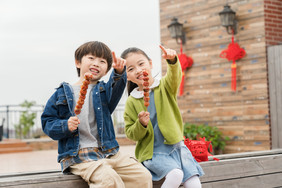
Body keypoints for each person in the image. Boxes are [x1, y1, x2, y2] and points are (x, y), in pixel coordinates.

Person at [41, 41, 152, 188]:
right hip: (79, 156)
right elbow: (47, 122)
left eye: (102, 61)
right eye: (91, 58)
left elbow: (116, 87)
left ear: (106, 70)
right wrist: (65, 125)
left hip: (109, 152)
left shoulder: (104, 91)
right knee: (109, 180)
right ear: (78, 62)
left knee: (142, 175)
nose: (96, 63)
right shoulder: (61, 93)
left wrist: (119, 73)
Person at [122, 45, 204, 188]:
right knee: (176, 174)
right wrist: (140, 124)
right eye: (131, 69)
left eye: (141, 64)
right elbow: (130, 134)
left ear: (151, 63)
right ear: (127, 76)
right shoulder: (131, 101)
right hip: (153, 153)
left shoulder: (165, 86)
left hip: (177, 148)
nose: (138, 70)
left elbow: (174, 76)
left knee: (194, 181)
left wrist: (172, 61)